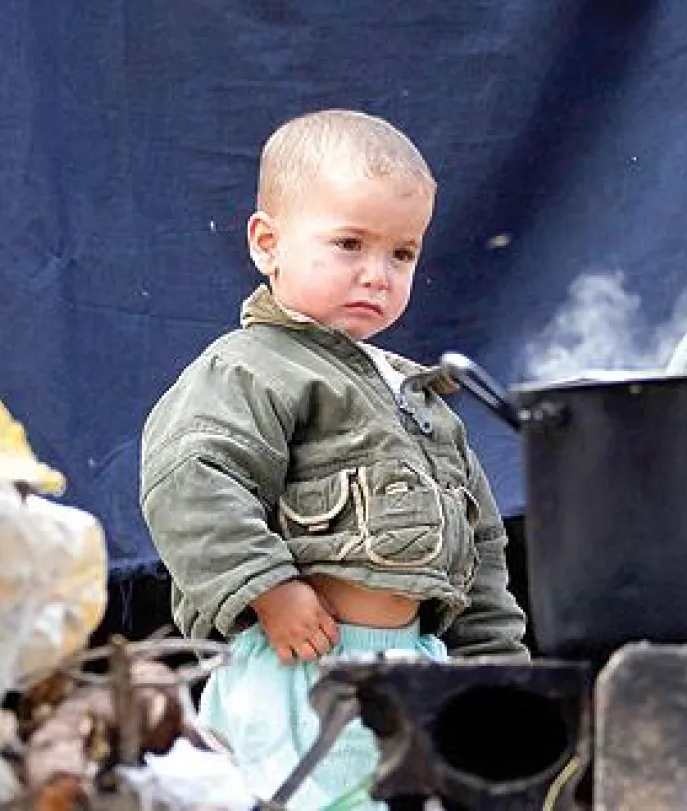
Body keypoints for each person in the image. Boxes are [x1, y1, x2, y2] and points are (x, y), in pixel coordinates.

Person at [139, 108, 529, 809]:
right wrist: (269, 587)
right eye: (349, 243)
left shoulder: (422, 399)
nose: (376, 274)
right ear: (267, 242)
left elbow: (482, 548)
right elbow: (189, 479)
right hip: (295, 668)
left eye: (402, 253)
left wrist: (493, 674)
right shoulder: (252, 369)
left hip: (416, 671)